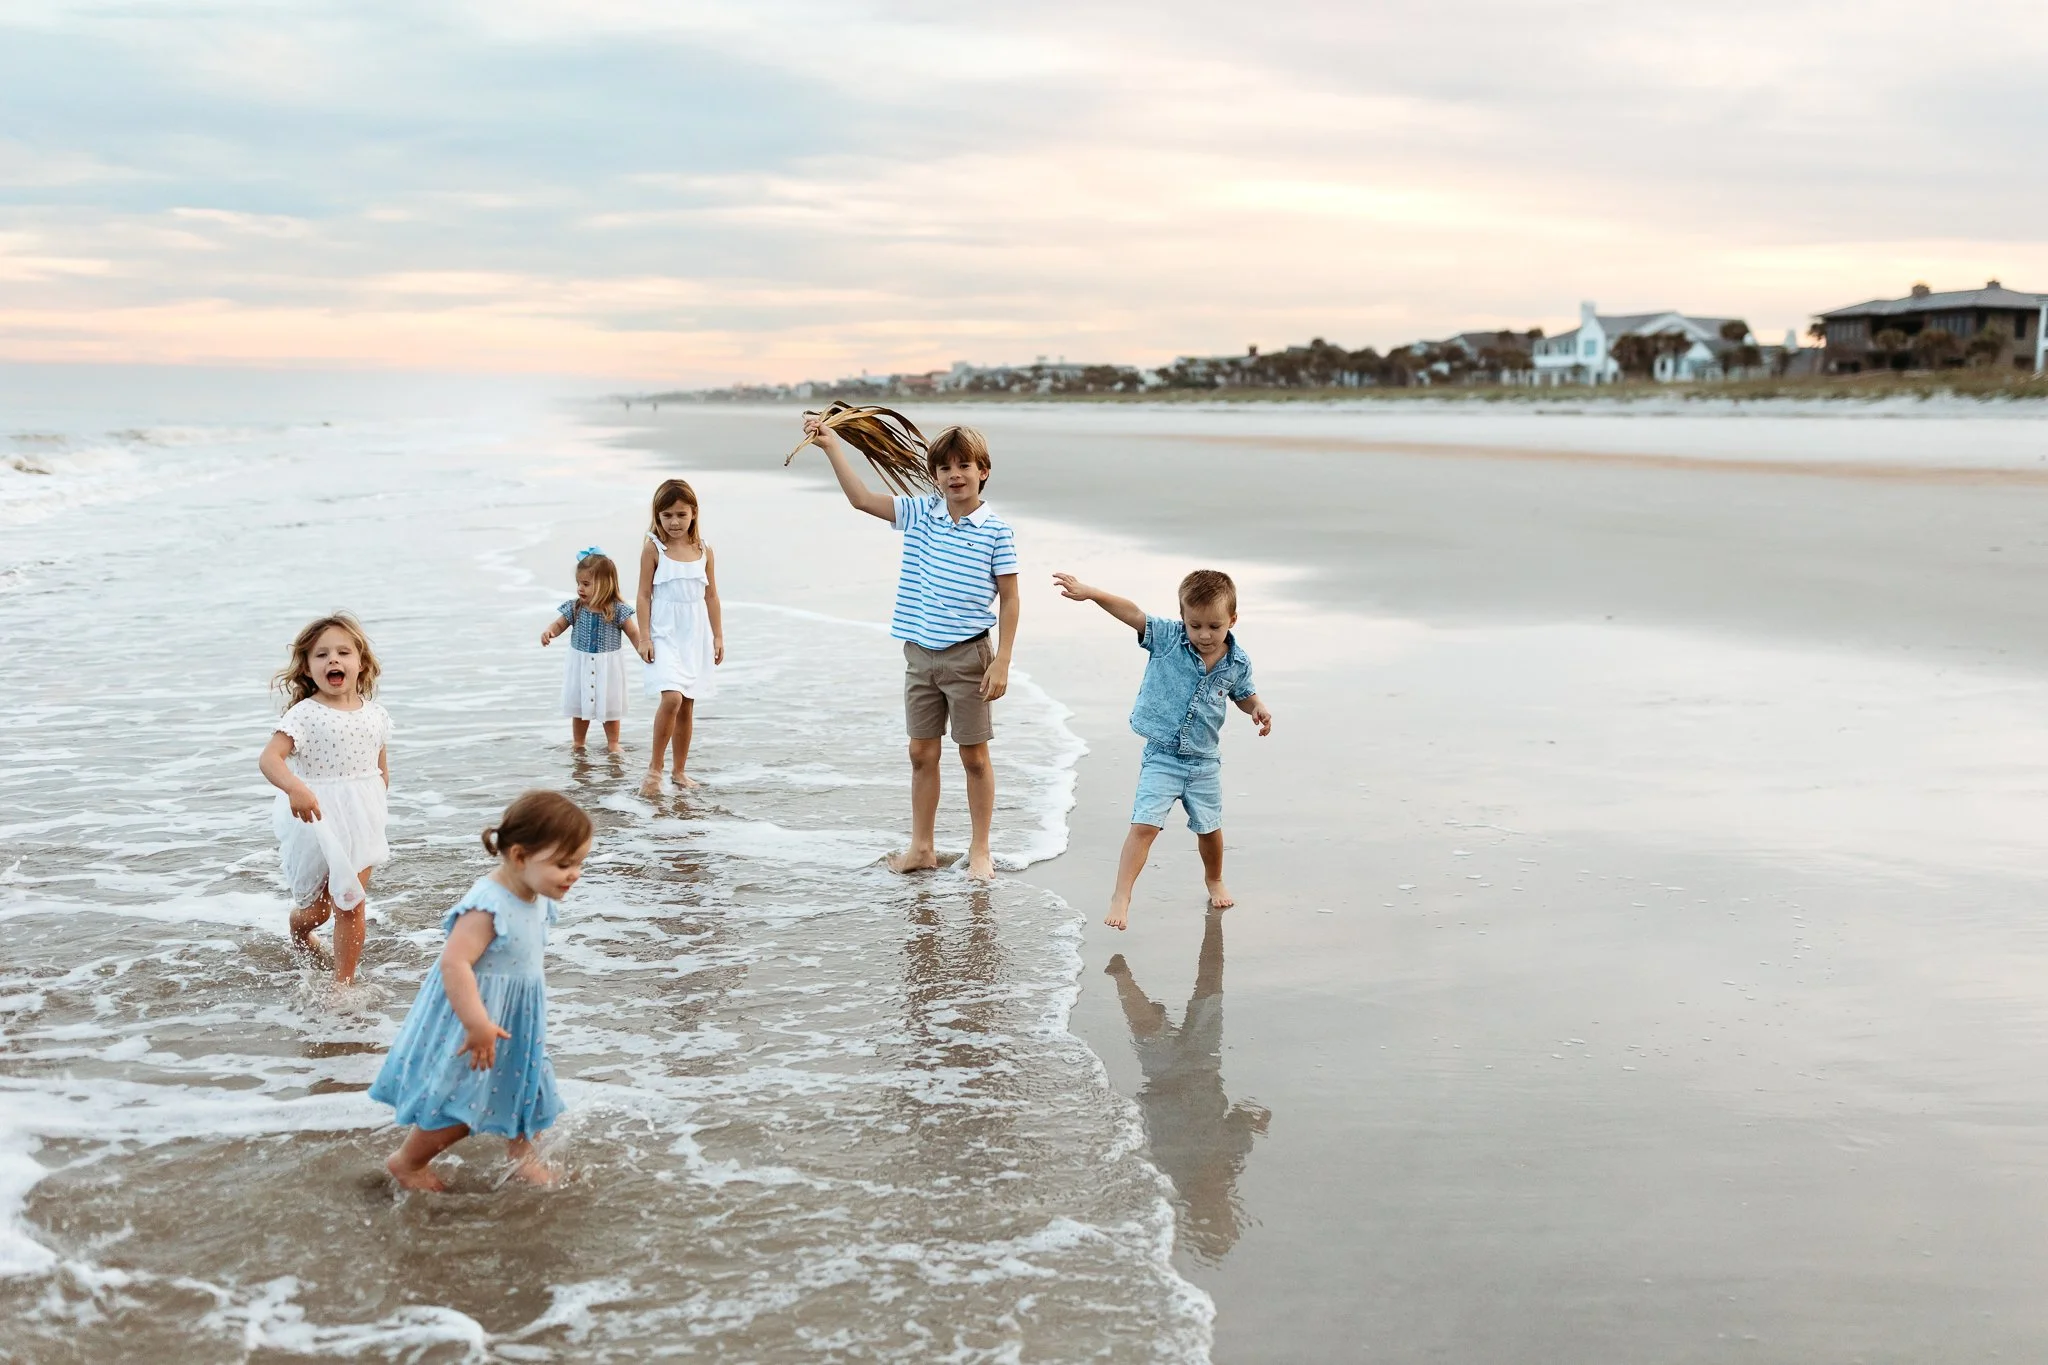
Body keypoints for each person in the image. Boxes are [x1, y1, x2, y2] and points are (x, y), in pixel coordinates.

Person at [802, 418, 1018, 881]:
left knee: (974, 756)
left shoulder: (996, 530)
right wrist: (831, 446)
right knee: (921, 753)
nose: (953, 474)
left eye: (964, 465)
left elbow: (1012, 598)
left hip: (970, 657)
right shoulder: (920, 512)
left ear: (984, 471)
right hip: (919, 655)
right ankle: (922, 846)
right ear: (934, 474)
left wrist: (1002, 661)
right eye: (943, 467)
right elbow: (861, 499)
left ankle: (981, 849)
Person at [370, 789, 593, 1191]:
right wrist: (476, 1023)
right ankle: (408, 1162)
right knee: (457, 1101)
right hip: (473, 1017)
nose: (574, 873)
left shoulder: (537, 892)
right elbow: (454, 963)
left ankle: (522, 1154)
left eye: (579, 863)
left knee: (528, 1085)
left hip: (515, 1015)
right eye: (564, 864)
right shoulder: (487, 904)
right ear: (520, 856)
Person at [1051, 569, 1272, 928]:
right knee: (1144, 826)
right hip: (1162, 756)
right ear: (1182, 617)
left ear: (1232, 620)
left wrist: (1258, 708)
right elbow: (1132, 613)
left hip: (1204, 761)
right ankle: (1121, 895)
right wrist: (1091, 593)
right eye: (1194, 624)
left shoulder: (1237, 662)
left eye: (1214, 626)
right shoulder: (1168, 637)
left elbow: (1243, 693)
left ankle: (1214, 879)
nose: (1204, 635)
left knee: (1209, 828)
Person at [258, 613, 391, 984]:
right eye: (321, 655)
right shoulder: (305, 714)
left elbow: (379, 769)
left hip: (362, 818)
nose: (333, 660)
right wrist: (295, 788)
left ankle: (342, 985)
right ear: (307, 668)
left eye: (343, 652)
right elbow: (270, 759)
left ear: (360, 662)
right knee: (318, 910)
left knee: (350, 900)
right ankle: (300, 929)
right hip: (315, 817)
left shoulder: (375, 715)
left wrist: (378, 810)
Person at [636, 479, 723, 794]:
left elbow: (711, 596)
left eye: (681, 515)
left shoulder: (704, 550)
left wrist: (717, 636)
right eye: (667, 515)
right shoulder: (653, 549)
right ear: (657, 516)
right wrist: (644, 637)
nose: (674, 522)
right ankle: (654, 770)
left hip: (695, 634)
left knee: (687, 704)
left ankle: (679, 771)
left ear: (694, 514)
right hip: (664, 633)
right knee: (671, 697)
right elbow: (644, 596)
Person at [541, 548, 645, 754]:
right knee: (580, 707)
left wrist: (644, 649)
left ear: (605, 584)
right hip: (580, 663)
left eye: (586, 584)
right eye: (579, 583)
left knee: (610, 706)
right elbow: (560, 624)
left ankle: (613, 743)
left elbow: (634, 633)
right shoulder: (575, 608)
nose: (580, 588)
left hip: (608, 666)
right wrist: (549, 631)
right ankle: (579, 742)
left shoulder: (616, 610)